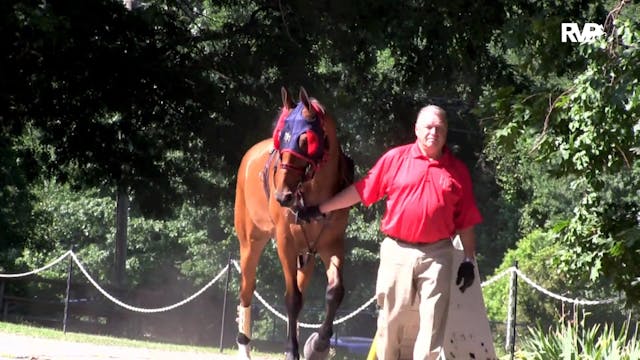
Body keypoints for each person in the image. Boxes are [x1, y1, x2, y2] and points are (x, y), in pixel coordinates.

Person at [297, 105, 482, 360]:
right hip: (397, 251)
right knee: (390, 322)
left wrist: (469, 261)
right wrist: (320, 208)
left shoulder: (457, 171)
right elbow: (363, 190)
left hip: (438, 253)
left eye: (439, 128)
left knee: (433, 322)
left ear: (446, 132)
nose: (434, 132)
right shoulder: (395, 159)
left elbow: (466, 220)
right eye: (428, 126)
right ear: (416, 130)